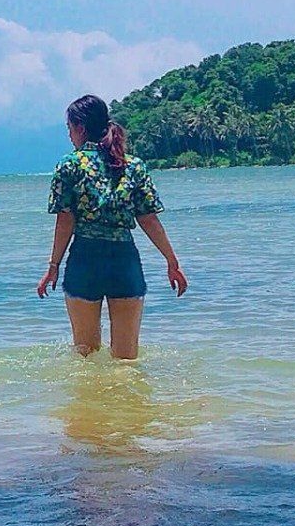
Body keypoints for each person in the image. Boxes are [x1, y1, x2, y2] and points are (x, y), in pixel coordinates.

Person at [36, 94, 186, 359]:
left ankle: (89, 402)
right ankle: (129, 402)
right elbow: (148, 218)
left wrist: (53, 268)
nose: (70, 136)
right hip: (124, 262)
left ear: (80, 127)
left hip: (84, 261)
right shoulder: (133, 165)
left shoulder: (69, 165)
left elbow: (65, 220)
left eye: (70, 129)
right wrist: (171, 261)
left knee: (85, 356)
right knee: (127, 359)